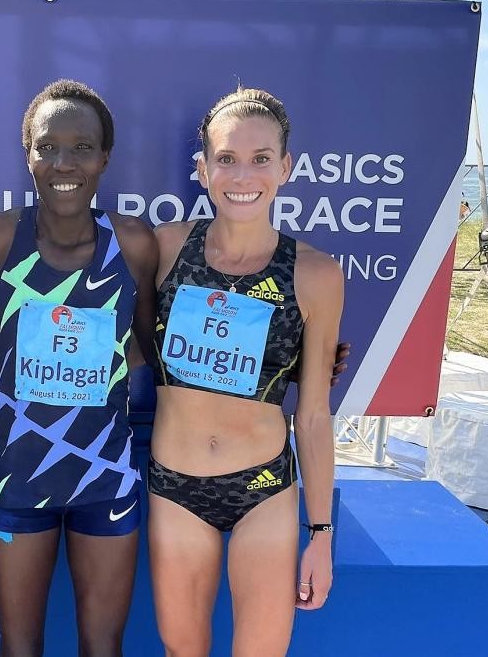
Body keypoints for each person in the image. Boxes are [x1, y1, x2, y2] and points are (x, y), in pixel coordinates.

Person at [0, 79, 159, 657]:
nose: (63, 163)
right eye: (46, 147)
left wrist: (297, 363)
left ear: (105, 158)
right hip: (17, 477)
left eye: (81, 148)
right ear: (28, 155)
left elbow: (151, 345)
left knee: (103, 644)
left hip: (106, 474)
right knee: (19, 646)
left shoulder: (133, 243)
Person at [148, 87, 343, 656]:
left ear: (285, 167)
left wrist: (321, 534)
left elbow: (313, 415)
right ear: (203, 168)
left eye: (261, 159)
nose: (242, 175)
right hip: (175, 485)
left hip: (263, 488)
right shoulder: (165, 247)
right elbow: (118, 336)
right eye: (227, 158)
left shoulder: (315, 274)